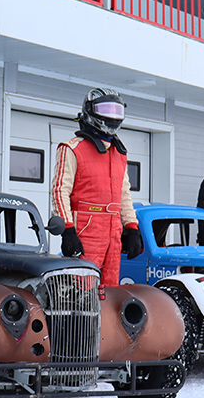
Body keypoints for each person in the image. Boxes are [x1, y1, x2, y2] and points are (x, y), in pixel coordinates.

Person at [52, 88, 143, 286]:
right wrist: (68, 229)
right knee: (81, 289)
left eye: (116, 111)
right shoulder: (72, 148)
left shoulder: (119, 153)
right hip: (86, 230)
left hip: (113, 231)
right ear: (90, 111)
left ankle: (105, 319)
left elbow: (124, 194)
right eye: (105, 110)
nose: (111, 116)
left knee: (110, 292)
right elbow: (60, 191)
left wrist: (132, 228)